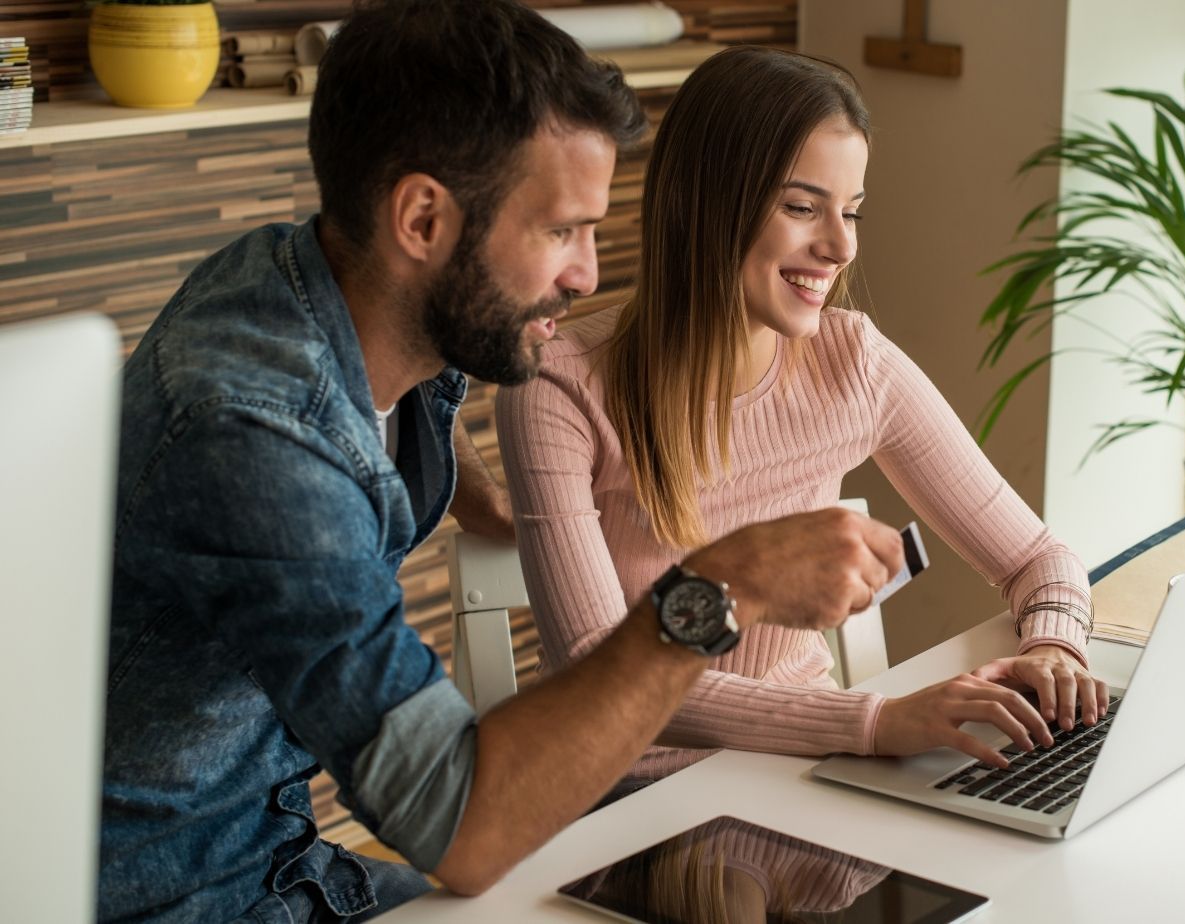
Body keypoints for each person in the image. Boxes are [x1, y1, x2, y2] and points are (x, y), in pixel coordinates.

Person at [97, 3, 904, 921]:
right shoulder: (256, 438)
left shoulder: (325, 290)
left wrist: (468, 491)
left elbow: (375, 417)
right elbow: (462, 827)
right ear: (423, 218)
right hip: (176, 893)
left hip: (276, 854)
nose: (588, 274)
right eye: (561, 230)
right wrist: (719, 588)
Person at [496, 46, 1109, 791]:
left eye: (850, 211)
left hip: (805, 781)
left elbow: (1037, 558)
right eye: (801, 206)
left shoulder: (852, 361)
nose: (841, 245)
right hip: (617, 802)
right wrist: (873, 724)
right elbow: (603, 668)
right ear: (709, 202)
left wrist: (1055, 648)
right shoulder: (560, 387)